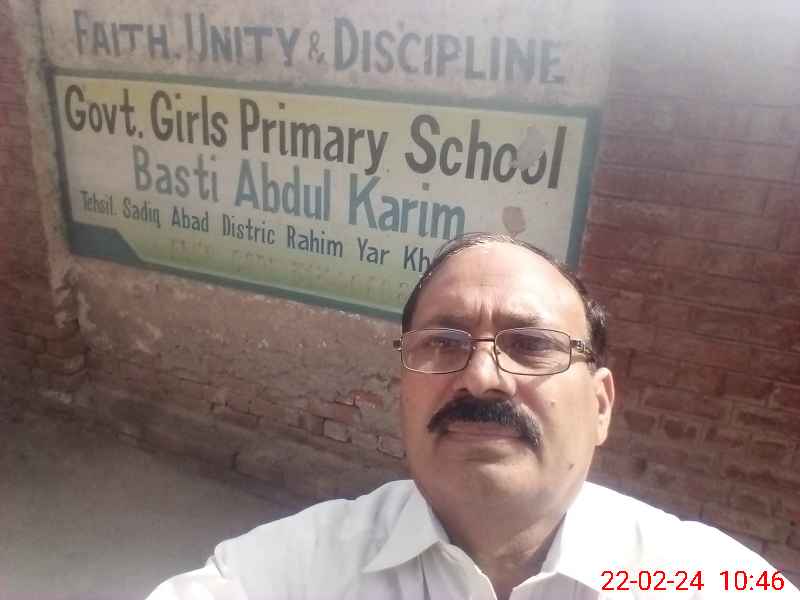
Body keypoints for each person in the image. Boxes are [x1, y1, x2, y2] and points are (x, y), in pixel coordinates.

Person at [147, 233, 799, 599]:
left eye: (532, 345)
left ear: (600, 405)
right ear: (404, 390)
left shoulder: (705, 582)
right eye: (443, 343)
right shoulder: (291, 575)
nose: (481, 376)